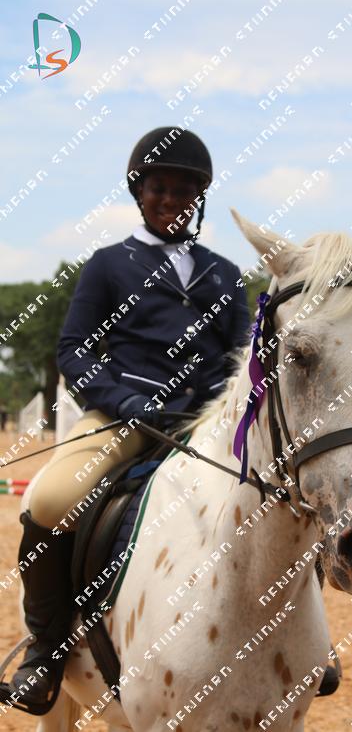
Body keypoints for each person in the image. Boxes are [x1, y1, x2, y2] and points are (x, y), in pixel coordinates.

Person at [7, 127, 250, 707]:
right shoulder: (109, 265)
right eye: (159, 188)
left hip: (205, 424)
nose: (171, 200)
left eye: (183, 190)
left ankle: (305, 637)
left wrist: (218, 403)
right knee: (51, 501)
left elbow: (243, 357)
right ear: (140, 194)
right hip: (124, 418)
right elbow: (73, 350)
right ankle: (47, 650)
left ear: (198, 198)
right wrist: (125, 401)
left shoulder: (224, 274)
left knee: (281, 492)